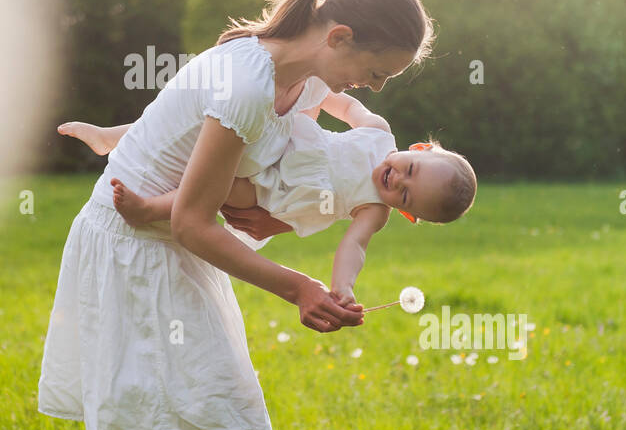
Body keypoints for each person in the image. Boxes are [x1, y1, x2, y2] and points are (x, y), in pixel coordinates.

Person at [37, 0, 435, 430]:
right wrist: (299, 288)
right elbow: (190, 223)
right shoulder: (248, 84)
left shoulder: (304, 76)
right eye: (377, 70)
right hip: (142, 245)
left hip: (172, 245)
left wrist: (275, 218)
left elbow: (255, 175)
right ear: (339, 37)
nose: (378, 87)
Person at [59, 109, 476, 309]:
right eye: (411, 169)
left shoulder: (373, 210)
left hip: (268, 192)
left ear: (406, 213)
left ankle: (148, 209)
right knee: (211, 126)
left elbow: (355, 247)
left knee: (220, 186)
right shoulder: (378, 131)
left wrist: (343, 285)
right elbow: (345, 104)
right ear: (418, 148)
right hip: (282, 144)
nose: (398, 180)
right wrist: (317, 82)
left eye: (406, 195)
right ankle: (112, 136)